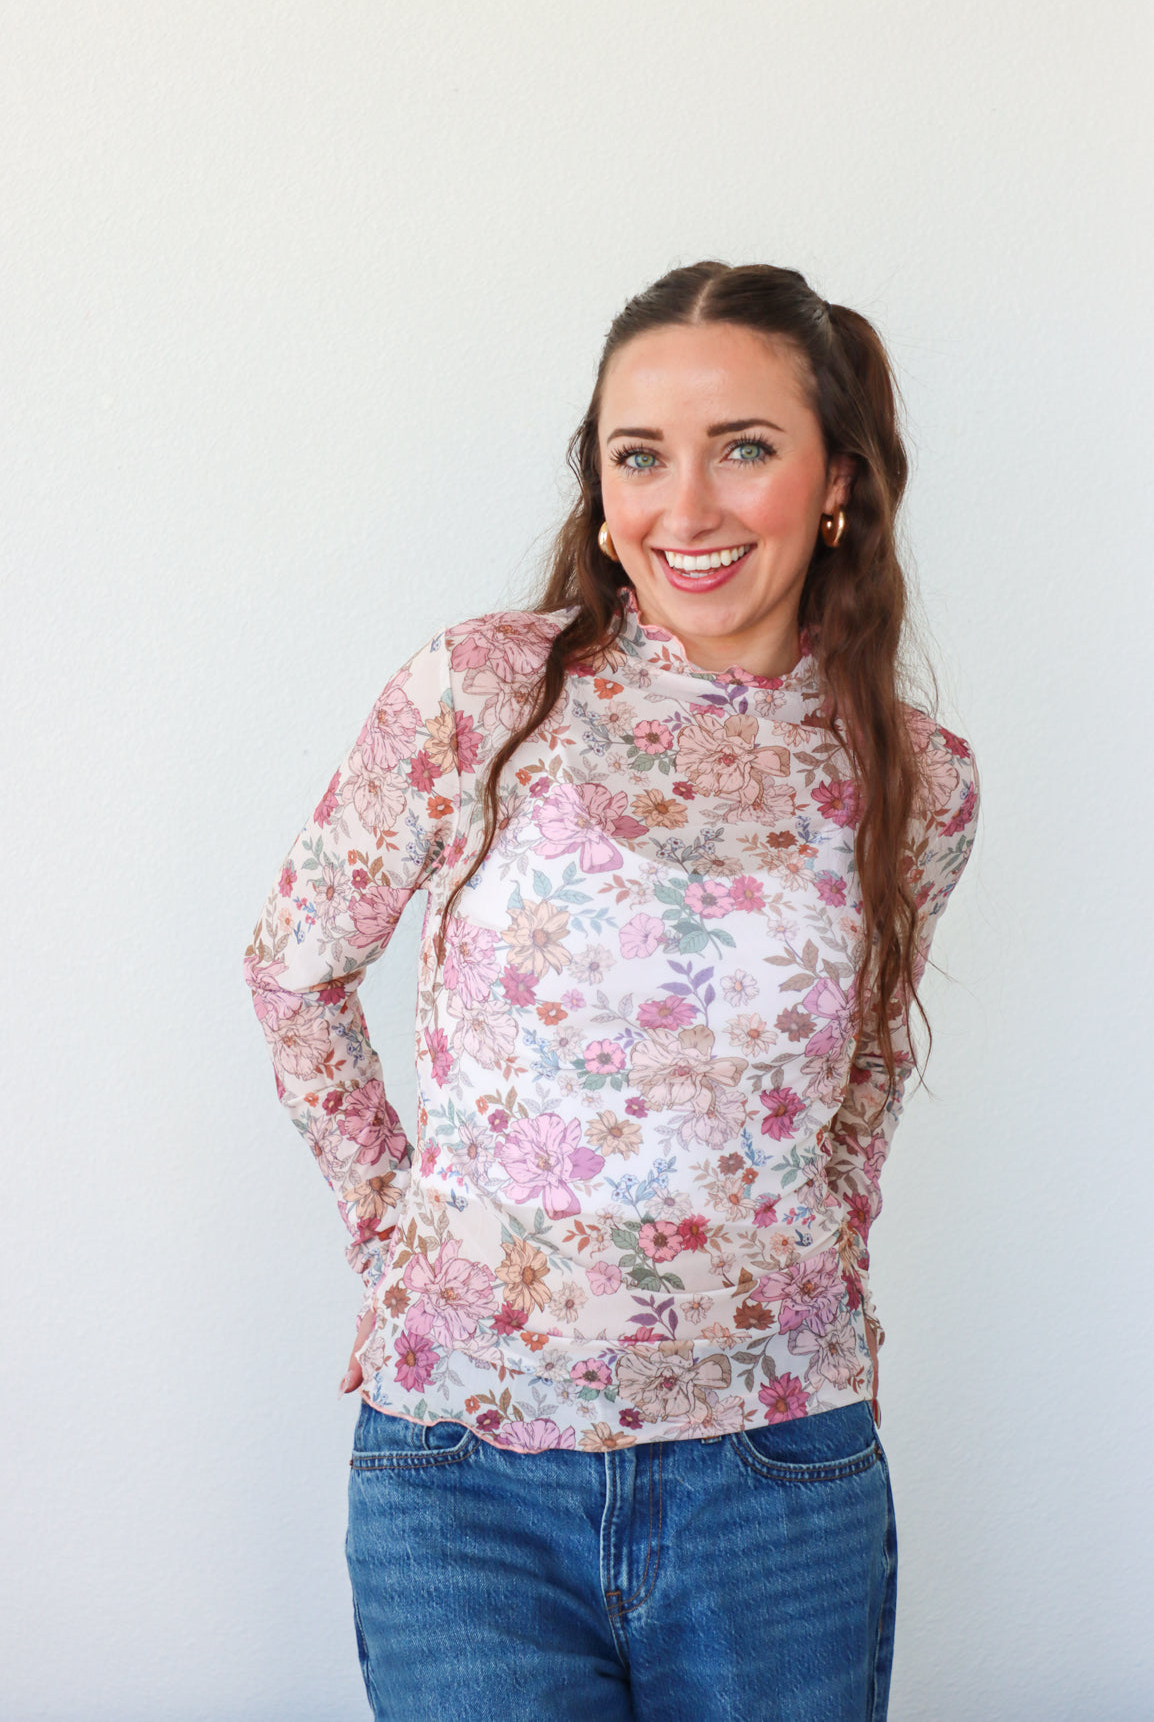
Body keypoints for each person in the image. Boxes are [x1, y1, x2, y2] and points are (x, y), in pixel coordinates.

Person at [244, 260, 980, 1722]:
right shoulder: (483, 693)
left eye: (744, 448)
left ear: (838, 479)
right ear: (599, 486)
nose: (684, 508)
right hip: (466, 1473)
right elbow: (296, 965)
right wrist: (399, 1233)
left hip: (773, 1471)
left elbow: (862, 1068)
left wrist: (812, 1264)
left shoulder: (919, 779)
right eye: (639, 455)